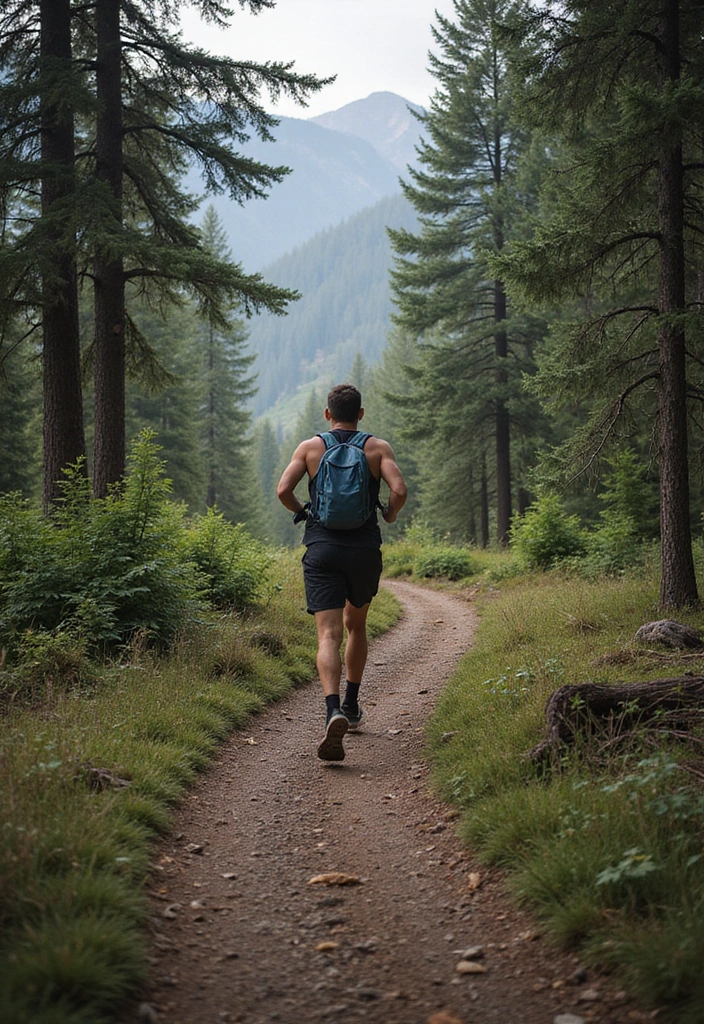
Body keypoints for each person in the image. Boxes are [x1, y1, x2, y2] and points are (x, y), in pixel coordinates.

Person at [276, 384, 408, 762]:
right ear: (361, 414)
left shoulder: (311, 447)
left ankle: (331, 708)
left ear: (328, 414)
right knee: (356, 626)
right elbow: (398, 489)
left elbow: (284, 489)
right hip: (363, 549)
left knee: (328, 634)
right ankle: (351, 705)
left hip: (322, 548)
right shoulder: (377, 448)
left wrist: (303, 511)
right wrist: (389, 513)